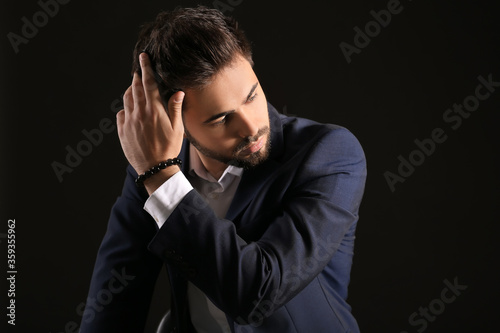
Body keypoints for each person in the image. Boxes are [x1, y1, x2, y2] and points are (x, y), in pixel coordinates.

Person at [80, 6, 367, 333]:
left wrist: (163, 179)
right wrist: (161, 175)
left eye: (252, 95)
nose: (250, 127)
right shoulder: (156, 171)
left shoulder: (330, 154)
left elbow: (258, 293)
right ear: (176, 124)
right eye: (220, 118)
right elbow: (116, 295)